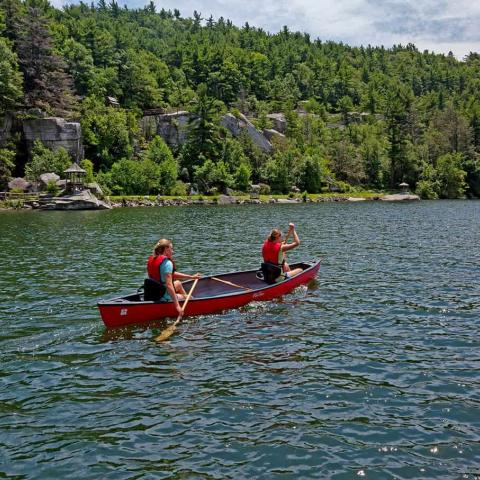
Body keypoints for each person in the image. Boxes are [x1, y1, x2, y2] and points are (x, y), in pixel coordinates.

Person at [147, 238, 201, 316]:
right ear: (166, 249)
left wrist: (191, 277)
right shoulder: (167, 263)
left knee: (178, 283)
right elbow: (169, 285)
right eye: (171, 248)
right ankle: (187, 303)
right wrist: (177, 306)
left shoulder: (153, 259)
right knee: (190, 297)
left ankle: (185, 302)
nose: (172, 251)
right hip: (163, 295)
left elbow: (171, 274)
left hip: (153, 291)